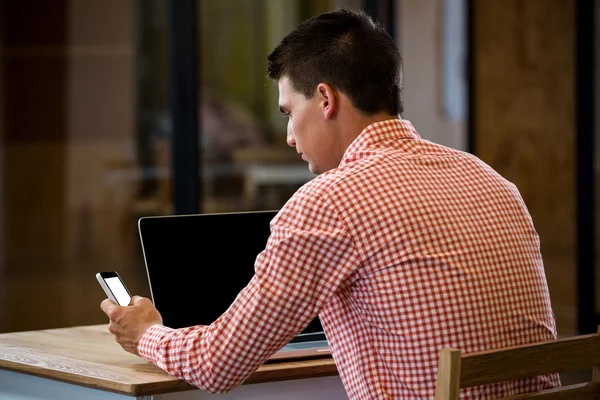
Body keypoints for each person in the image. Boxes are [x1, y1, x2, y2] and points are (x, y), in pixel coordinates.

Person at [101, 8, 560, 399]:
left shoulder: (330, 201)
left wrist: (146, 333)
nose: (287, 135)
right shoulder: (491, 180)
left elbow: (217, 366)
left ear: (325, 99)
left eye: (288, 112)